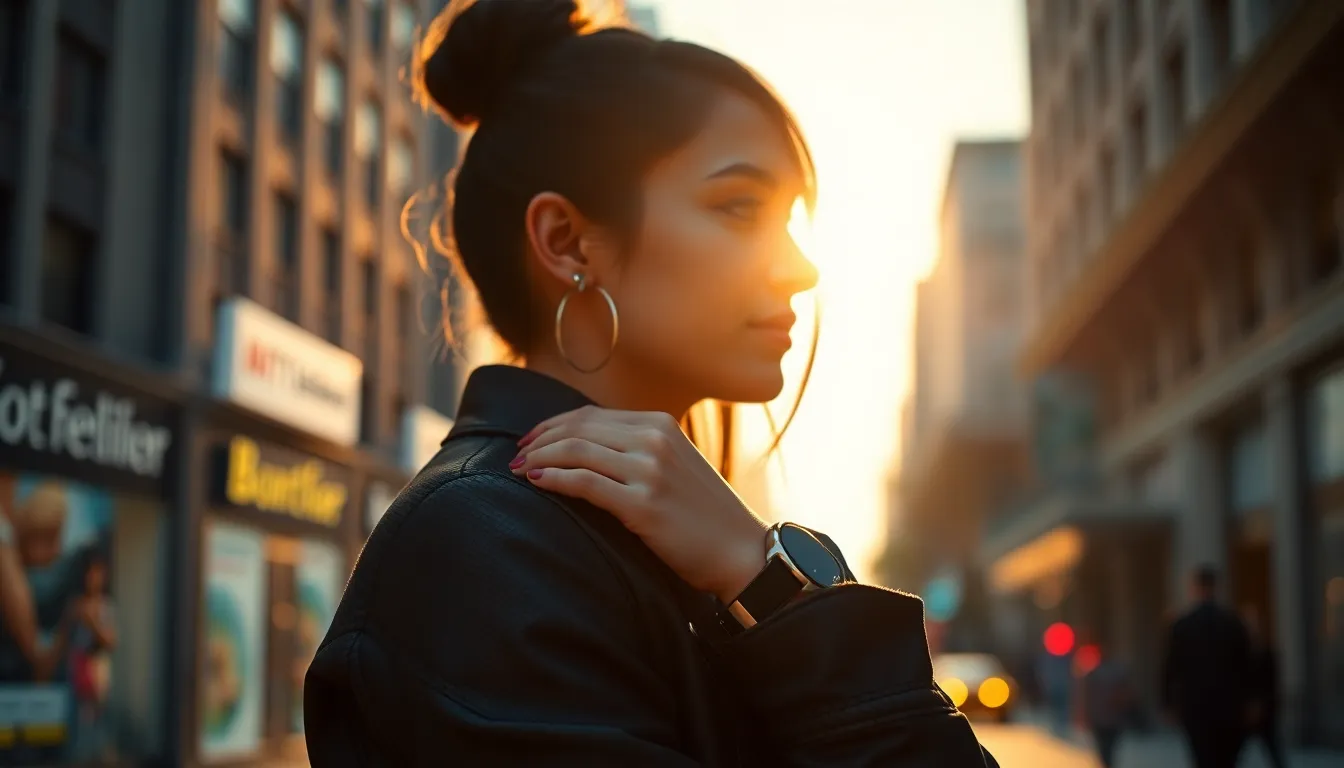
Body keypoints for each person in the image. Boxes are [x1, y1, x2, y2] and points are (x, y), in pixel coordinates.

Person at [303, 1, 998, 765]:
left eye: (794, 218)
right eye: (739, 206)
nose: (801, 268)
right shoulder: (483, 550)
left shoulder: (666, 539)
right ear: (567, 242)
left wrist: (763, 577)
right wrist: (771, 585)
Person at [1161, 566, 1252, 768]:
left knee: (1202, 757)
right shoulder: (1232, 622)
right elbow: (1246, 665)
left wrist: (1167, 702)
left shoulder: (1183, 625)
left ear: (1194, 588)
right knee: (1225, 759)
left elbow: (1170, 667)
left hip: (1196, 704)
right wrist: (1249, 700)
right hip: (1228, 703)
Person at [1242, 605, 1286, 768]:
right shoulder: (1240, 654)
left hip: (1265, 713)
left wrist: (1262, 705)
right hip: (1245, 712)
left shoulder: (1267, 652)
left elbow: (1272, 683)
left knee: (1274, 752)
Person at [1080, 641, 1135, 768]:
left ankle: (1106, 763)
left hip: (1110, 717)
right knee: (1105, 748)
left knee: (1107, 747)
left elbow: (1126, 692)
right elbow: (1086, 696)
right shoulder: (1095, 673)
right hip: (1102, 717)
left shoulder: (1115, 671)